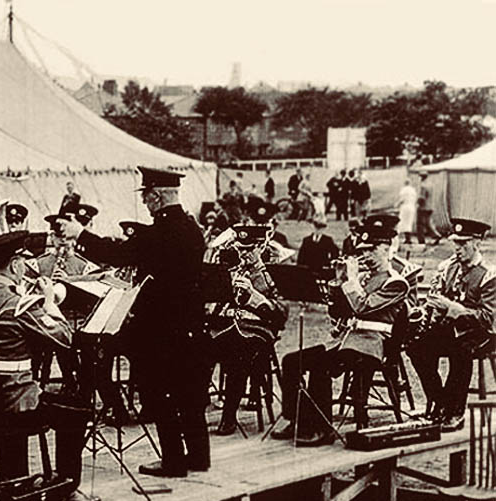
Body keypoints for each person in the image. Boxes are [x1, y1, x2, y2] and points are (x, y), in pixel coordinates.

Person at [58, 166, 209, 478]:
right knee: (189, 393)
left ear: (156, 196)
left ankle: (173, 461)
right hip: (191, 325)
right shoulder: (192, 229)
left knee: (160, 394)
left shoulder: (159, 233)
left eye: (146, 196)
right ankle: (198, 456)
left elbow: (118, 254)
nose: (145, 203)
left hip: (161, 329)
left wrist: (80, 234)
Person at [0, 231, 99, 501]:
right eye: (23, 262)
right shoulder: (17, 305)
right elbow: (64, 338)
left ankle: (17, 480)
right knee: (76, 410)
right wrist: (48, 301)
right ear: (15, 265)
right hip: (15, 402)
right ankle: (67, 488)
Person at [271, 215, 409, 444]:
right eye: (363, 251)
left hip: (371, 345)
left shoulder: (395, 282)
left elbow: (362, 307)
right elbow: (337, 313)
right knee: (292, 361)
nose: (365, 255)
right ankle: (297, 419)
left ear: (386, 249)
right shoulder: (363, 278)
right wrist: (338, 281)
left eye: (371, 250)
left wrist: (351, 280)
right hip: (347, 340)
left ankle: (323, 430)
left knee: (321, 366)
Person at [407, 218, 496, 430]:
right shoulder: (449, 267)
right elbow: (439, 297)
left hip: (482, 333)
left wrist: (455, 309)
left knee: (460, 349)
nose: (458, 249)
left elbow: (488, 318)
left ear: (477, 243)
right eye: (456, 243)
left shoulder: (489, 274)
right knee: (416, 346)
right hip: (453, 328)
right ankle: (440, 402)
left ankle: (455, 412)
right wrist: (432, 307)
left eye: (463, 244)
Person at [209, 225, 287, 435]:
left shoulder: (274, 271)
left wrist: (256, 298)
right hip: (228, 327)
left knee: (237, 353)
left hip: (258, 331)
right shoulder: (232, 269)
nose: (243, 255)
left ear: (261, 247)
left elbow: (281, 315)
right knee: (198, 347)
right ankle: (195, 408)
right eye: (240, 250)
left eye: (248, 250)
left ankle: (228, 416)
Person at [396, 178, 419, 245]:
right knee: (409, 223)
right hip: (412, 207)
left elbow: (402, 200)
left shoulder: (403, 190)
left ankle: (402, 239)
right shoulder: (413, 190)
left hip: (405, 207)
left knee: (402, 222)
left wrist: (396, 204)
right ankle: (408, 239)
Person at [416, 171, 435, 244]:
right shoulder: (430, 184)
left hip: (423, 207)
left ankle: (421, 240)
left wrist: (418, 204)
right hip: (430, 206)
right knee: (428, 223)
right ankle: (436, 235)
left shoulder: (423, 185)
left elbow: (422, 197)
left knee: (420, 224)